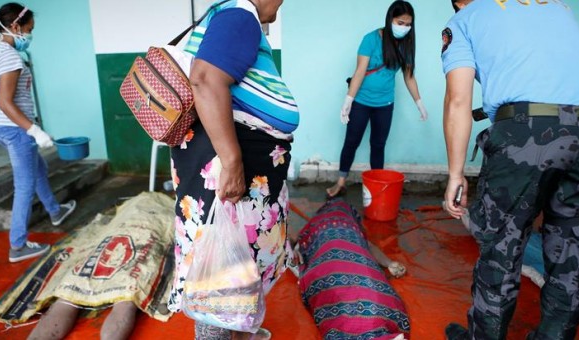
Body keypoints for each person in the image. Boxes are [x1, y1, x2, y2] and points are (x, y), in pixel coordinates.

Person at [441, 0, 579, 339]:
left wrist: (455, 174)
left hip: (530, 133)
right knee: (573, 256)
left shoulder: (463, 19)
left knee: (501, 248)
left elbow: (458, 100)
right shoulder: (555, 5)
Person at [166, 0, 298, 339]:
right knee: (220, 273)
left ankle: (239, 332)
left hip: (232, 175)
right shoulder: (240, 16)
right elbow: (206, 79)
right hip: (228, 176)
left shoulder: (228, 14)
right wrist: (234, 162)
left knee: (231, 268)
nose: (281, 5)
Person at [0, 3, 76, 263]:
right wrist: (35, 130)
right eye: (29, 29)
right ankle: (18, 246)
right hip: (16, 128)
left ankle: (55, 211)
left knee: (39, 169)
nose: (30, 35)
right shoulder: (10, 55)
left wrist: (4, 121)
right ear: (15, 27)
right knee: (23, 186)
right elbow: (4, 101)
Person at [326, 0, 428, 198]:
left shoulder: (406, 44)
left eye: (408, 25)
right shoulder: (371, 39)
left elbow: (409, 76)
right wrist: (348, 101)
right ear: (390, 19)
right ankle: (340, 182)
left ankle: (375, 186)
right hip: (362, 102)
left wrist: (419, 102)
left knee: (378, 145)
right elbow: (360, 71)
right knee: (352, 141)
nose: (404, 28)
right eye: (400, 22)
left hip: (385, 104)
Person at [295, 198, 409, 339]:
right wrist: (389, 263)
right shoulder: (337, 226)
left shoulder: (315, 227)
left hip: (331, 251)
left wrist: (389, 263)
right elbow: (367, 245)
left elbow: (299, 244)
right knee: (369, 297)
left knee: (342, 290)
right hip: (336, 248)